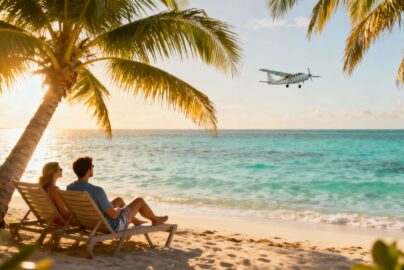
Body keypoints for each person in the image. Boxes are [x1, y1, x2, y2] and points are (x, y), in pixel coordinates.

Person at [66, 157, 168, 232]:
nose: (93, 168)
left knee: (118, 200)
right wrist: (120, 211)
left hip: (87, 223)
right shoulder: (97, 191)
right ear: (88, 170)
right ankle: (155, 220)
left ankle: (135, 220)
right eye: (92, 166)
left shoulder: (70, 188)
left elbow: (96, 209)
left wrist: (116, 207)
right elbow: (113, 215)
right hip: (111, 225)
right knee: (139, 201)